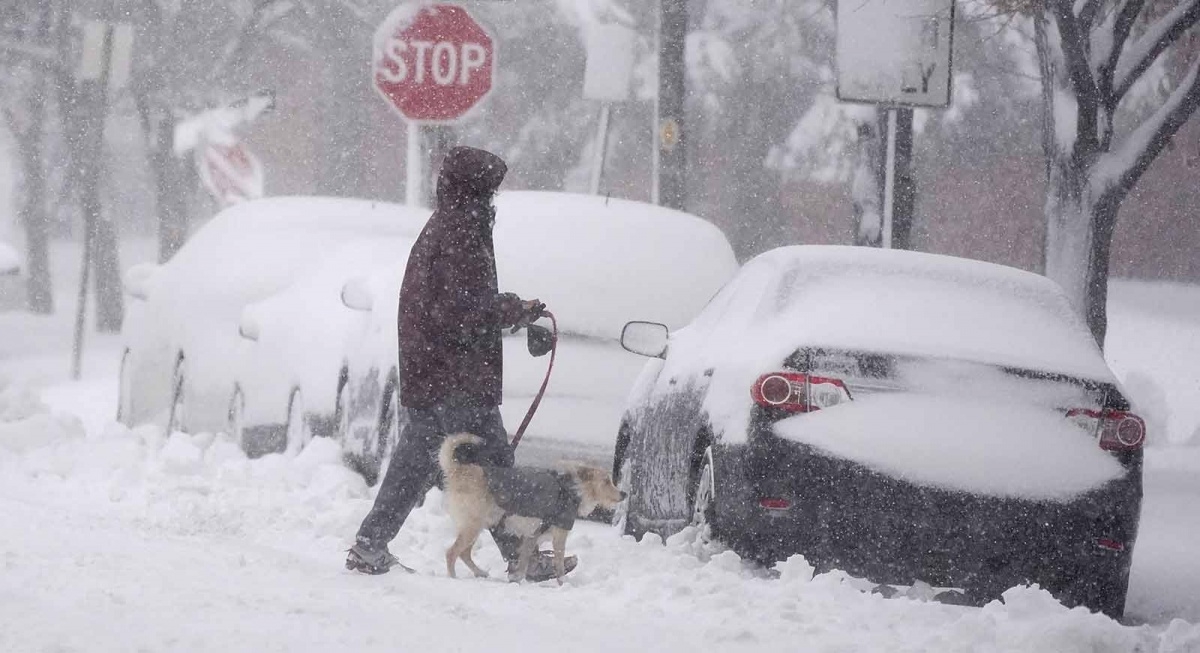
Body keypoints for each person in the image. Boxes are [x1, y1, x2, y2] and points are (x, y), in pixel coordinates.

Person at [345, 146, 575, 581]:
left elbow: (452, 307)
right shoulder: (460, 235)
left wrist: (508, 309)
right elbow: (461, 312)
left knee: (416, 464)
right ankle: (522, 556)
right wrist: (510, 309)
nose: (493, 202)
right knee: (494, 468)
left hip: (432, 370)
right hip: (457, 375)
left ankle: (370, 544)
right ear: (474, 192)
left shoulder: (447, 227)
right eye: (489, 192)